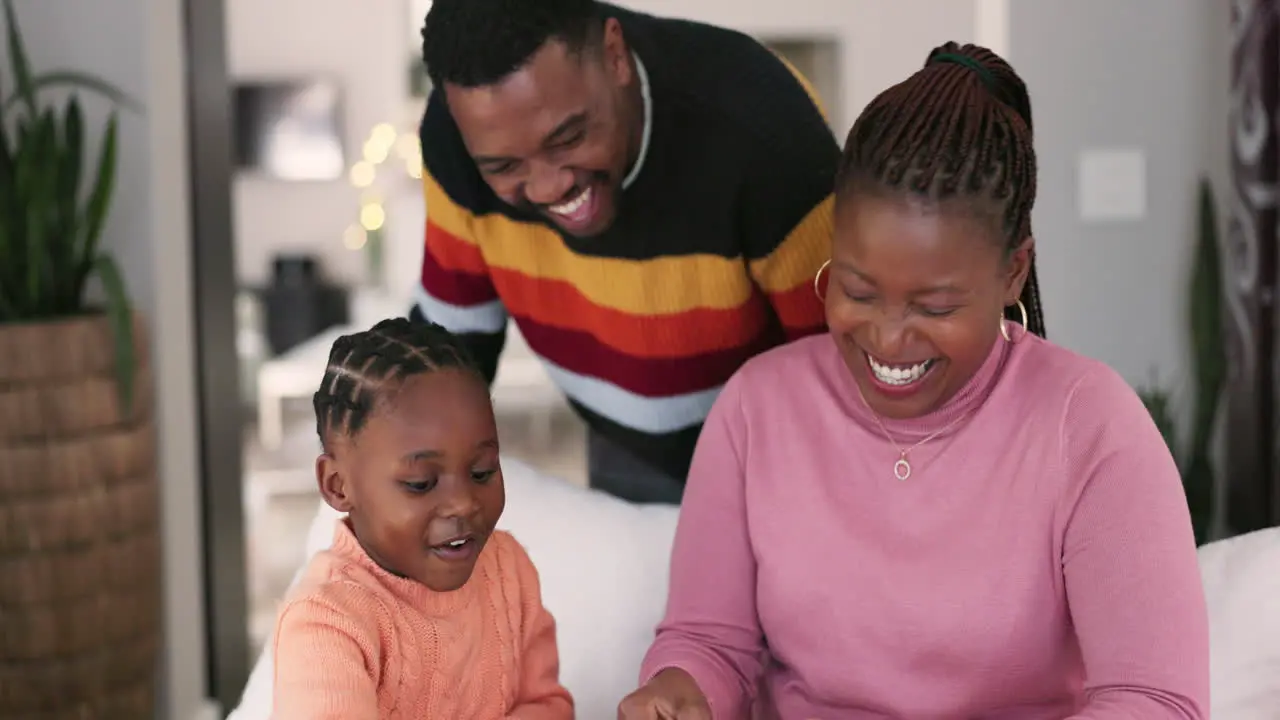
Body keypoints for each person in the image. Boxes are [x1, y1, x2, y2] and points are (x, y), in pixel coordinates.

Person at [618, 42, 1209, 719]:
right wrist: (677, 692)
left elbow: (1154, 699)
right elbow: (708, 643)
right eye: (858, 290)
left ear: (1013, 271)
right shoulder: (759, 407)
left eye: (935, 307)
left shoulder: (1090, 426)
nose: (888, 339)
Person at [410, 0, 838, 504]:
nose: (549, 188)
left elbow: (842, 372)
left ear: (614, 55)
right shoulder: (452, 135)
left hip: (780, 453)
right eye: (504, 167)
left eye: (568, 137)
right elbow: (451, 346)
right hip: (625, 438)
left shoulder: (763, 126)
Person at [270, 318, 572, 719]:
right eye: (421, 482)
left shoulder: (508, 570)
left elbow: (544, 704)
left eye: (481, 471)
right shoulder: (326, 623)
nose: (463, 503)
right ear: (338, 485)